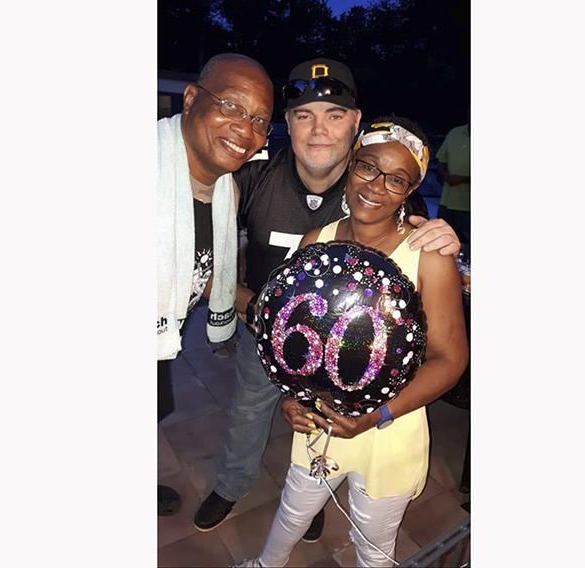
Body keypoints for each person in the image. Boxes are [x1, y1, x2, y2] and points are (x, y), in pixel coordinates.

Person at [193, 57, 461, 539]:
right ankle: (233, 486)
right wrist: (257, 310)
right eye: (303, 115)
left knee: (324, 433)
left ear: (355, 125)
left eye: (334, 115)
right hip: (263, 329)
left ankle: (316, 494)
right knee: (249, 412)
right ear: (287, 124)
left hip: (354, 359)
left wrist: (449, 246)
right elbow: (205, 258)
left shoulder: (377, 185)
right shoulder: (251, 178)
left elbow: (422, 256)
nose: (319, 130)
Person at [237, 117, 469, 568]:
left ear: (409, 191)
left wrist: (375, 415)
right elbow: (289, 333)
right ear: (350, 166)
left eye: (396, 179)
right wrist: (291, 396)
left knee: (373, 546)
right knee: (293, 507)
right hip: (320, 420)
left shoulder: (427, 256)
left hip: (390, 427)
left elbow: (451, 359)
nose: (376, 186)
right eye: (368, 167)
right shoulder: (316, 240)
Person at [157, 53, 274, 515]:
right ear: (190, 100)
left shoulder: (224, 190)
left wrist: (257, 308)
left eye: (260, 119)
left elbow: (199, 268)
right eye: (230, 105)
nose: (245, 130)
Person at [436, 122, 470, 250]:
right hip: (447, 202)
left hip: (468, 206)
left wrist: (464, 179)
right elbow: (441, 159)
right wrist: (445, 175)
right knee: (441, 242)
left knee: (465, 248)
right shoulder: (455, 132)